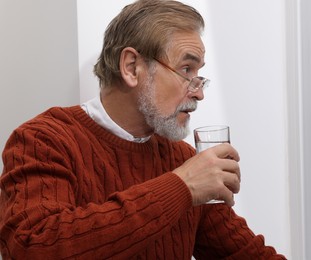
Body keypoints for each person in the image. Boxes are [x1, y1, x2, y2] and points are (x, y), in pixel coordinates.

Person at [0, 0, 286, 259]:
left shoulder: (183, 159)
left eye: (199, 76)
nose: (199, 94)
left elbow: (246, 254)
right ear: (132, 67)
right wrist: (181, 187)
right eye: (186, 70)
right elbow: (32, 247)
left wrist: (187, 182)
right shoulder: (43, 140)